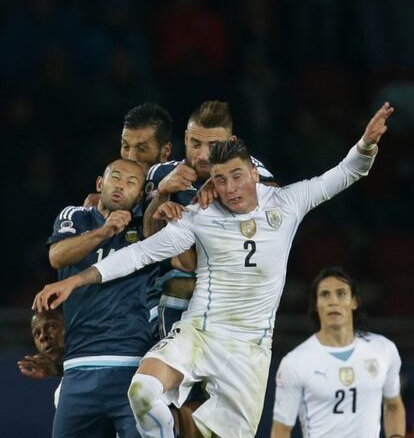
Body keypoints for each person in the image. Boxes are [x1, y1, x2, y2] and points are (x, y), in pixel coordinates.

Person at [33, 102, 393, 438]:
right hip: (198, 331)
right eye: (219, 180)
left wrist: (366, 143)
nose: (229, 188)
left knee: (203, 429)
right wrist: (78, 279)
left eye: (236, 176)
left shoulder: (287, 202)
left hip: (247, 348)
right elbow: (139, 253)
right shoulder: (199, 214)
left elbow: (348, 172)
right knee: (142, 392)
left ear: (254, 172)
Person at [143, 100, 275, 339]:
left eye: (213, 145)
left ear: (231, 143)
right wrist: (162, 193)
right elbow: (148, 237)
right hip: (174, 284)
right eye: (195, 143)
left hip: (233, 282)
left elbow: (277, 202)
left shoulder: (247, 168)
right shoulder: (162, 173)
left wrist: (221, 182)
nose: (203, 155)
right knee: (180, 281)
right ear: (185, 138)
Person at [46, 158, 156, 438]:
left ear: (141, 195)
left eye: (132, 183)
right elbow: (57, 256)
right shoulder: (76, 217)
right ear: (100, 184)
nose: (121, 186)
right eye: (116, 178)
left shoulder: (147, 228)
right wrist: (104, 231)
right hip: (79, 367)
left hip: (132, 367)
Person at [271, 266, 406, 438]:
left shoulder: (383, 349)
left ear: (354, 301)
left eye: (341, 293)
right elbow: (281, 429)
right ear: (316, 304)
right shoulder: (295, 362)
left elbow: (393, 405)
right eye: (325, 294)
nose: (333, 301)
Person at [18, 310, 64, 381]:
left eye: (51, 327)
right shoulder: (61, 389)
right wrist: (57, 370)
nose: (42, 336)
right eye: (37, 334)